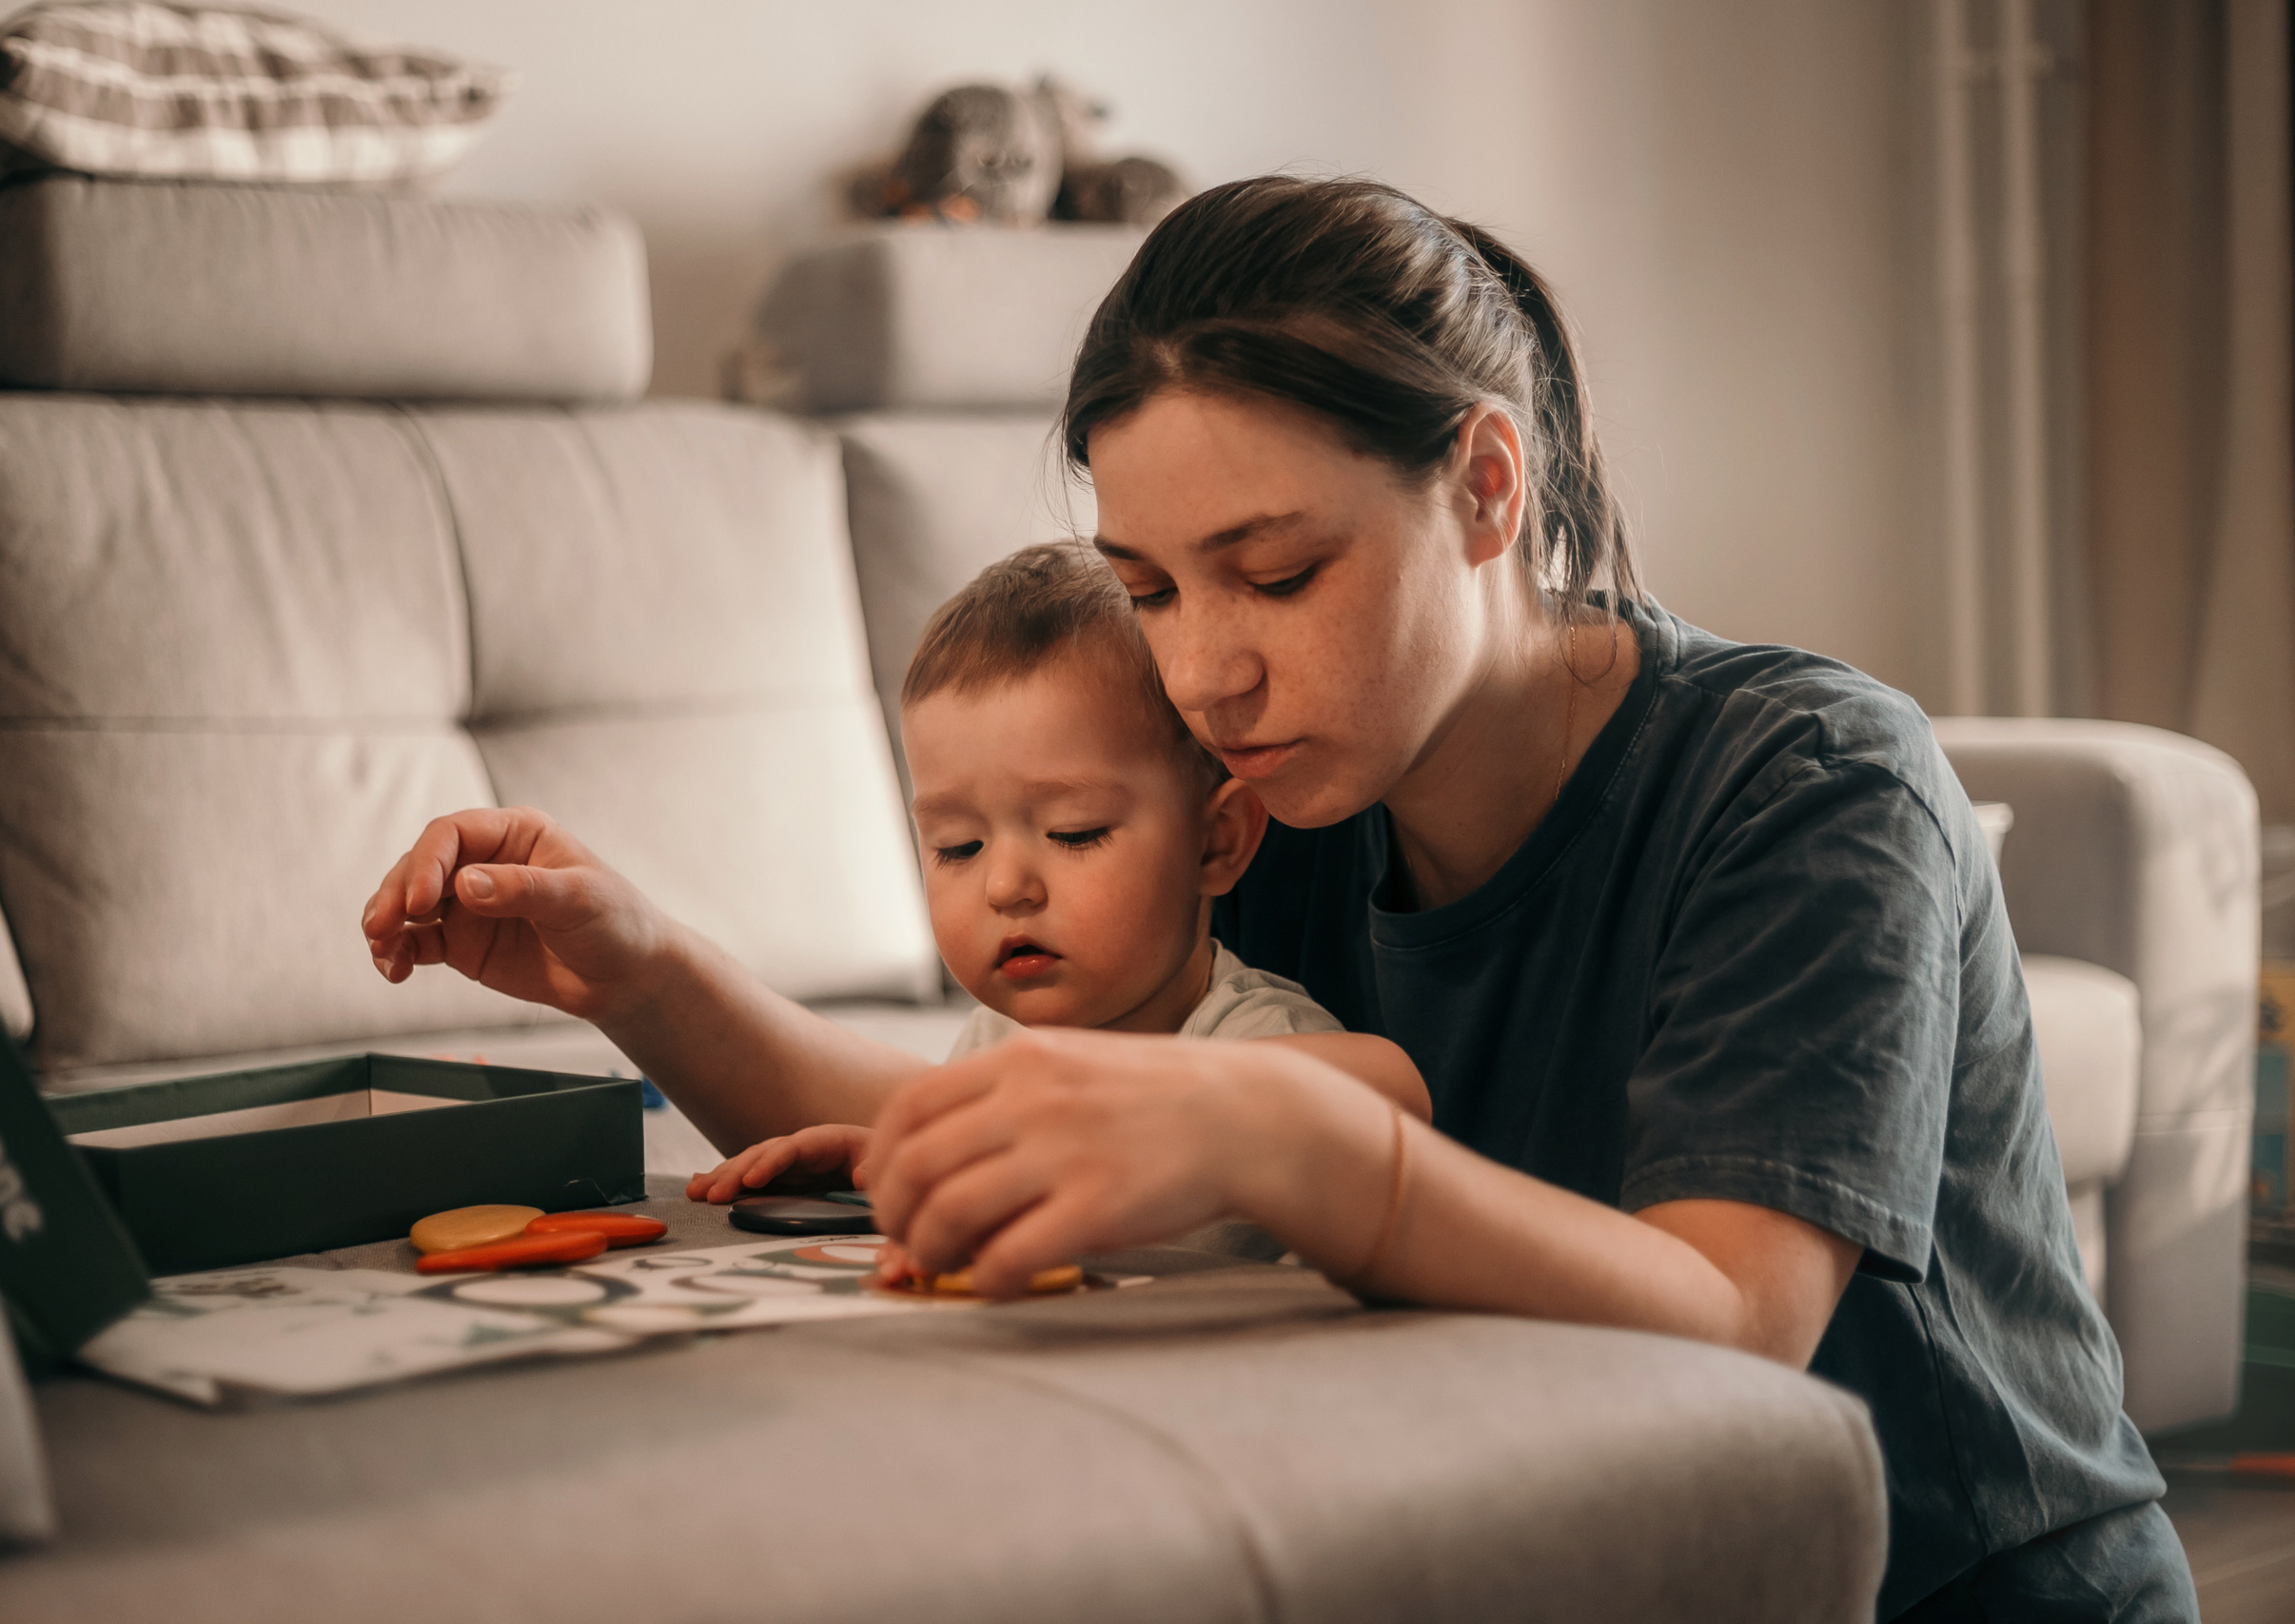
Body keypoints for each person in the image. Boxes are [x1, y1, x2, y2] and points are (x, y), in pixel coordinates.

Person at [360, 176, 2192, 1618]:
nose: (1208, 672)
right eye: (1152, 589)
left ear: (1485, 486)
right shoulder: (1279, 782)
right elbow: (1002, 1115)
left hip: (1941, 1584)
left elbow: (1732, 1332)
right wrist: (642, 969)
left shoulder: (1803, 781)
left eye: (1274, 571)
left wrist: (1284, 1138)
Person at [680, 540, 1426, 1207]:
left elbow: (1390, 1092)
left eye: (1075, 832)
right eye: (957, 847)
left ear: (1216, 844)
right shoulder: (992, 1042)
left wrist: (1126, 1109)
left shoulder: (1250, 1036)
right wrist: (895, 1163)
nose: (1005, 886)